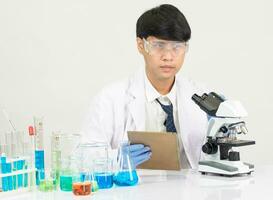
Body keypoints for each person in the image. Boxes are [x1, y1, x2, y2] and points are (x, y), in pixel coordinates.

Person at [82, 4, 208, 169]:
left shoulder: (201, 96)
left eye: (177, 47)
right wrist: (116, 160)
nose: (168, 57)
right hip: (134, 191)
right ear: (141, 45)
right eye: (158, 46)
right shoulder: (110, 98)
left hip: (189, 192)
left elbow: (212, 159)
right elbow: (85, 156)